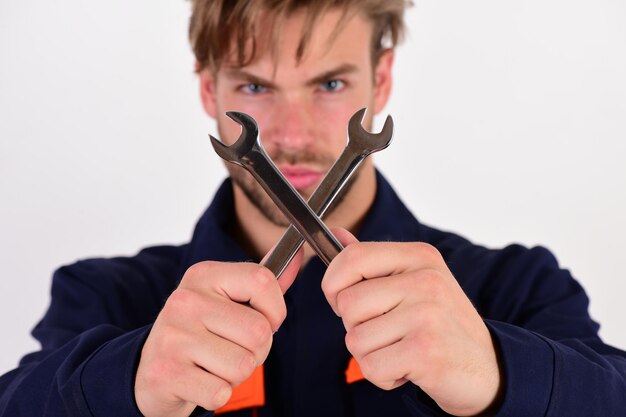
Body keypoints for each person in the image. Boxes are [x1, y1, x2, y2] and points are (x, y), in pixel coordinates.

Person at [1, 0, 625, 416]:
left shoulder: (515, 290)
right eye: (254, 87)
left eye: (329, 84)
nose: (293, 135)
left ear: (379, 80)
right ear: (207, 90)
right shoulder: (104, 301)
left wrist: (498, 372)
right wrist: (127, 381)